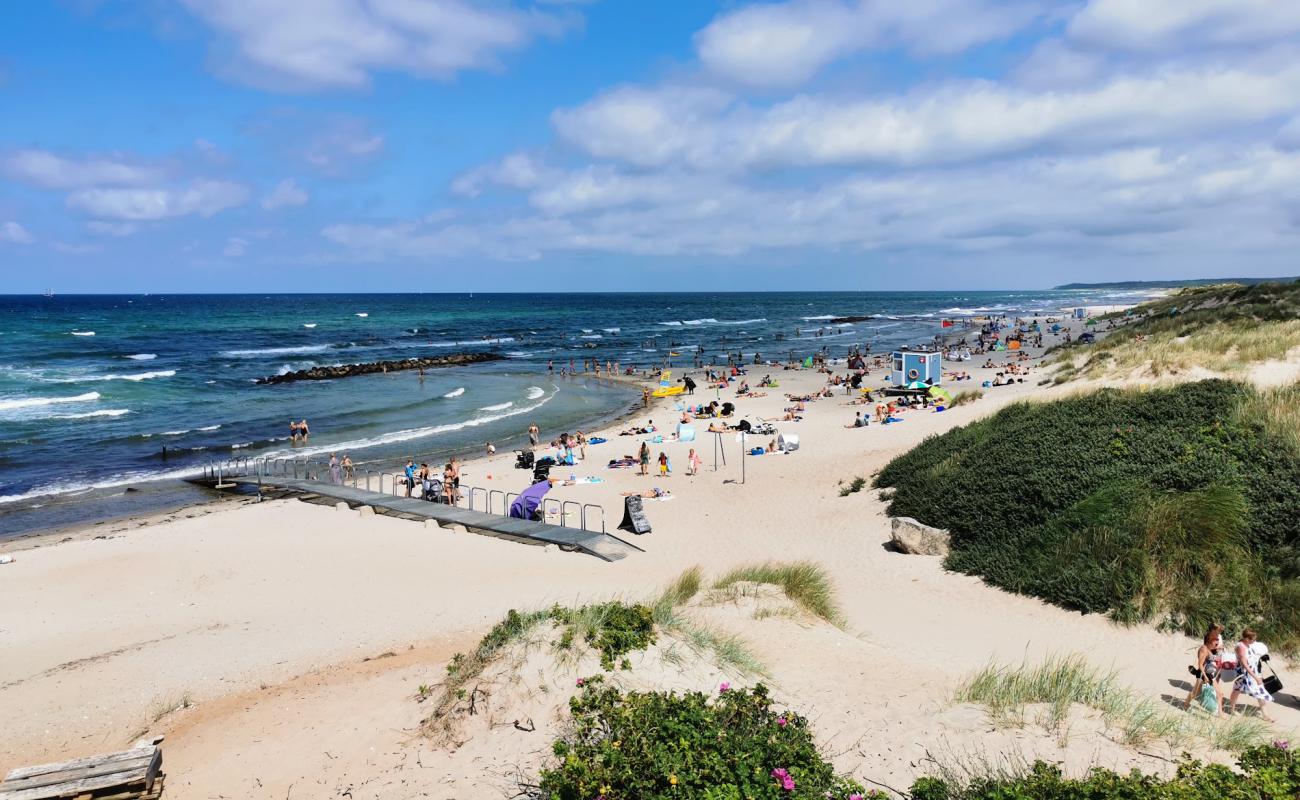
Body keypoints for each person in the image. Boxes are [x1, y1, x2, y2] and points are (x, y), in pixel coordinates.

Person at [1227, 628, 1274, 721]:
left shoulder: (1246, 644)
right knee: (1236, 691)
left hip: (1251, 672)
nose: (1254, 641)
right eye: (1253, 639)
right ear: (1247, 639)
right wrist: (1256, 677)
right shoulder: (1241, 647)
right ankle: (1231, 709)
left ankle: (1265, 715)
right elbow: (1245, 665)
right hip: (1243, 674)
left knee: (1260, 691)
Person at [1183, 623, 1225, 715]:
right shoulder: (1203, 649)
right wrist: (1205, 676)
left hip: (1209, 675)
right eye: (1216, 642)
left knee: (1220, 694)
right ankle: (1185, 705)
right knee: (1195, 693)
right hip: (1203, 675)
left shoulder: (1209, 649)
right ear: (1210, 641)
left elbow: (1213, 658)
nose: (1217, 644)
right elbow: (1200, 665)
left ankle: (1220, 714)